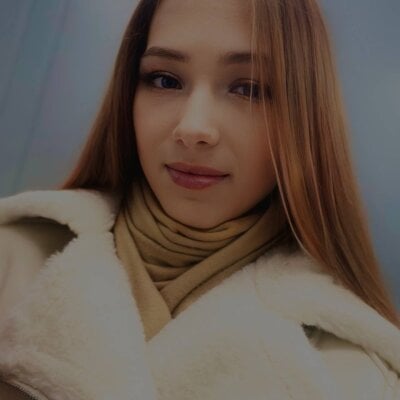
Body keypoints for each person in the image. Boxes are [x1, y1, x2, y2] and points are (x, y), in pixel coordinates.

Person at [0, 0, 399, 398]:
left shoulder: (357, 373)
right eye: (165, 80)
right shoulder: (11, 260)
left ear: (304, 117)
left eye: (248, 88)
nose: (193, 128)